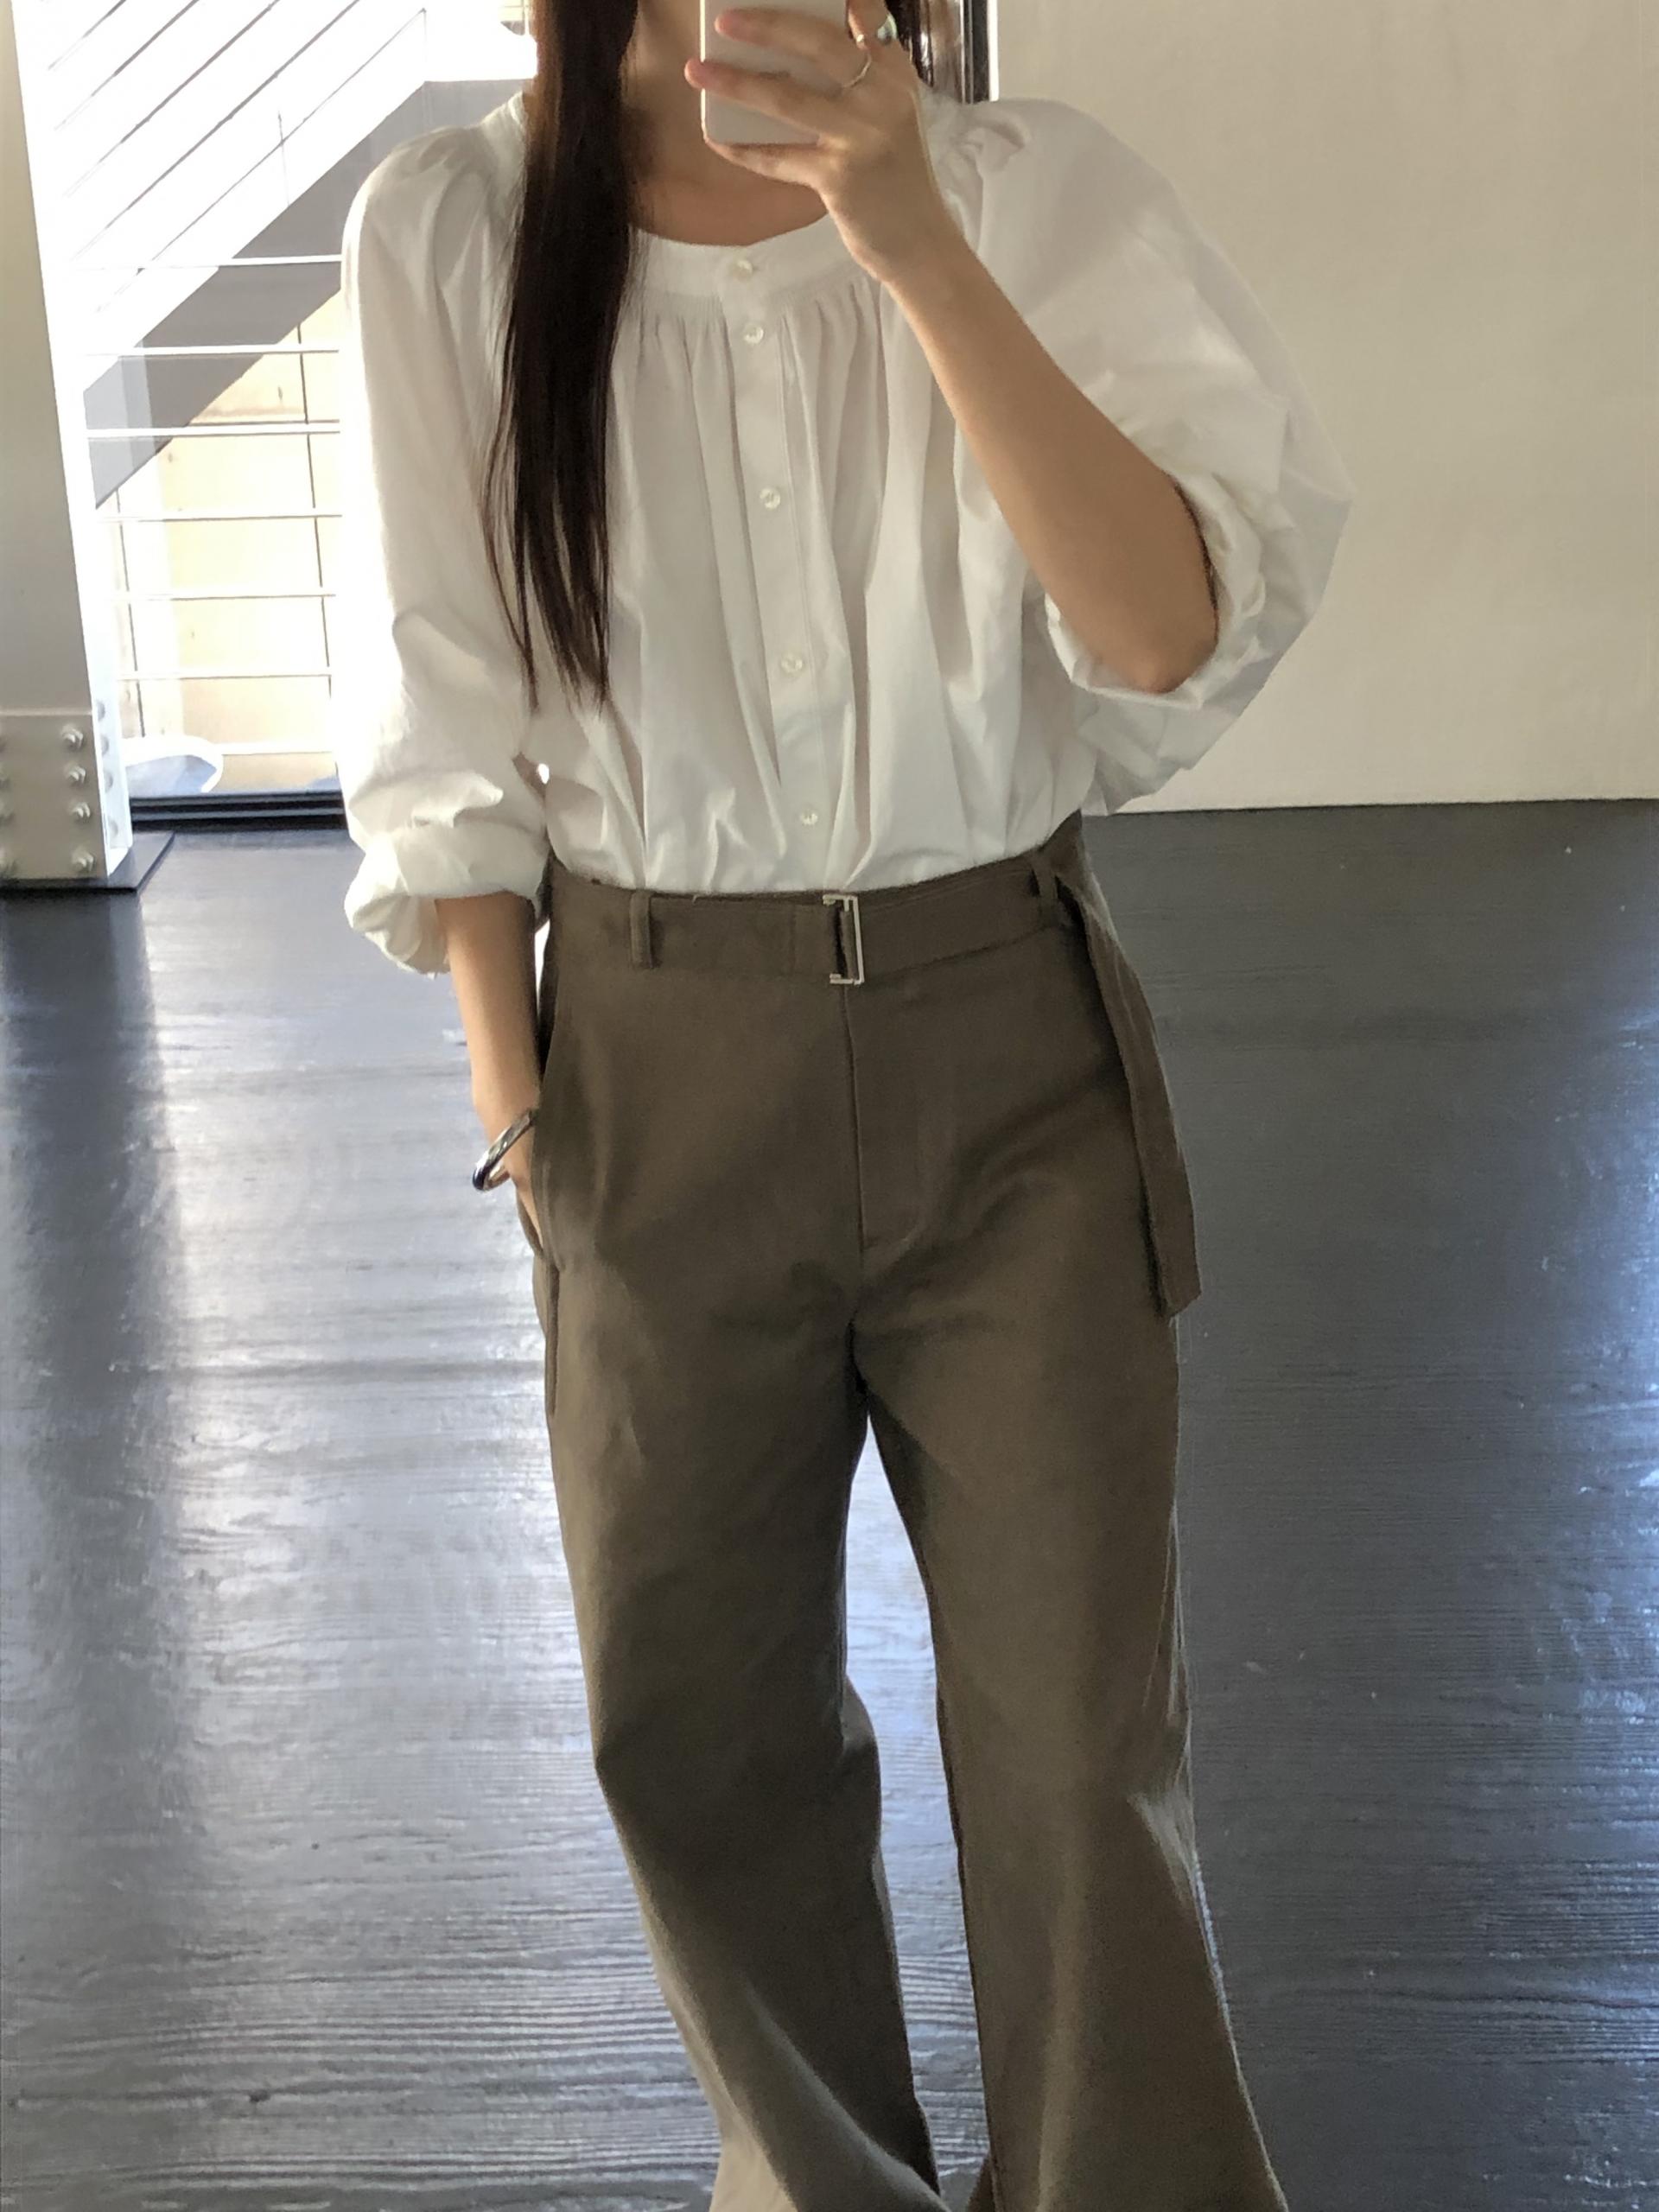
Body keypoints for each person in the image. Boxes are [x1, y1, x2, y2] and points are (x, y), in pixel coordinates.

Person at [330, 2, 1353, 2204]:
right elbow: (442, 697)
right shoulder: (454, 231)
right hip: (652, 1064)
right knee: (699, 1728)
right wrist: (528, 1116)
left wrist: (910, 239)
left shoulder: (1034, 196)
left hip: (1012, 1056)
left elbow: (1161, 633)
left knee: (1081, 1739)